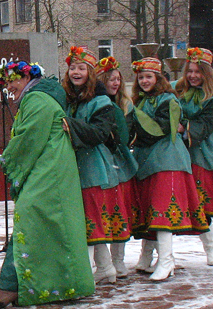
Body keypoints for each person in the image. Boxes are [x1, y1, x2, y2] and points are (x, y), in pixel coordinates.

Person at [0, 60, 94, 309]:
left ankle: (19, 286)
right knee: (50, 226)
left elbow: (29, 138)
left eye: (13, 79)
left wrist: (8, 159)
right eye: (6, 81)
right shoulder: (36, 98)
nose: (9, 85)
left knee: (32, 217)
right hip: (49, 168)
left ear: (27, 77)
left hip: (49, 171)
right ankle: (32, 285)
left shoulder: (37, 100)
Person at [127, 58, 209, 281]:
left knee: (162, 210)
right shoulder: (142, 101)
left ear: (158, 78)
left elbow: (160, 130)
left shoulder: (168, 100)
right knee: (150, 208)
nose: (144, 81)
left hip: (167, 160)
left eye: (149, 76)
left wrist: (133, 122)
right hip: (148, 162)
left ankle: (166, 260)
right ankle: (147, 256)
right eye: (141, 77)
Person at [61, 46, 130, 285]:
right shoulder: (71, 100)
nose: (76, 72)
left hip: (94, 168)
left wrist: (71, 125)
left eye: (82, 68)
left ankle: (85, 273)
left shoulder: (101, 101)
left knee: (91, 221)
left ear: (91, 73)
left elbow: (100, 133)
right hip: (80, 167)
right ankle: (105, 267)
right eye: (72, 67)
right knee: (90, 220)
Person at [173, 47, 213, 266]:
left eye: (198, 72)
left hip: (202, 152)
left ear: (207, 74)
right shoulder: (177, 89)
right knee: (173, 203)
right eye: (189, 71)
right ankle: (161, 254)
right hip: (178, 152)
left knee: (201, 204)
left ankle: (210, 247)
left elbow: (205, 125)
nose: (192, 75)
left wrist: (185, 128)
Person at [95, 56, 140, 278]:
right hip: (100, 162)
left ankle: (118, 260)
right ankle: (105, 265)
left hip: (119, 163)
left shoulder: (124, 105)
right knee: (104, 212)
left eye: (118, 79)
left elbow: (125, 136)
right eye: (110, 79)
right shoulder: (97, 102)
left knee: (119, 210)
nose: (115, 83)